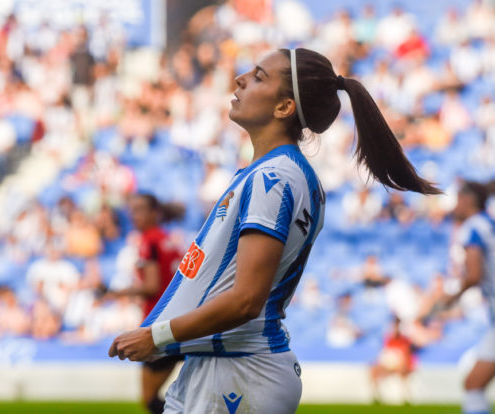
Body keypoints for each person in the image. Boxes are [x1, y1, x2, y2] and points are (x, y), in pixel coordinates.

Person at [109, 48, 439, 413]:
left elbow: (247, 299)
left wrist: (155, 336)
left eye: (259, 76)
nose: (240, 79)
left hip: (240, 372)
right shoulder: (281, 173)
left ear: (284, 107)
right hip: (229, 366)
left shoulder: (274, 178)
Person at [109, 193, 184, 414]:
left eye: (140, 209)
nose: (135, 215)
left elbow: (152, 287)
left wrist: (119, 292)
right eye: (132, 210)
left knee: (149, 398)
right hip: (179, 320)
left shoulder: (149, 241)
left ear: (155, 213)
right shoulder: (167, 239)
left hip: (158, 325)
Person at [442, 181, 495, 414]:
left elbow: (474, 275)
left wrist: (452, 296)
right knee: (473, 384)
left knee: (473, 385)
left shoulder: (472, 227)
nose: (454, 206)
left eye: (457, 200)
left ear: (468, 200)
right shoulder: (489, 223)